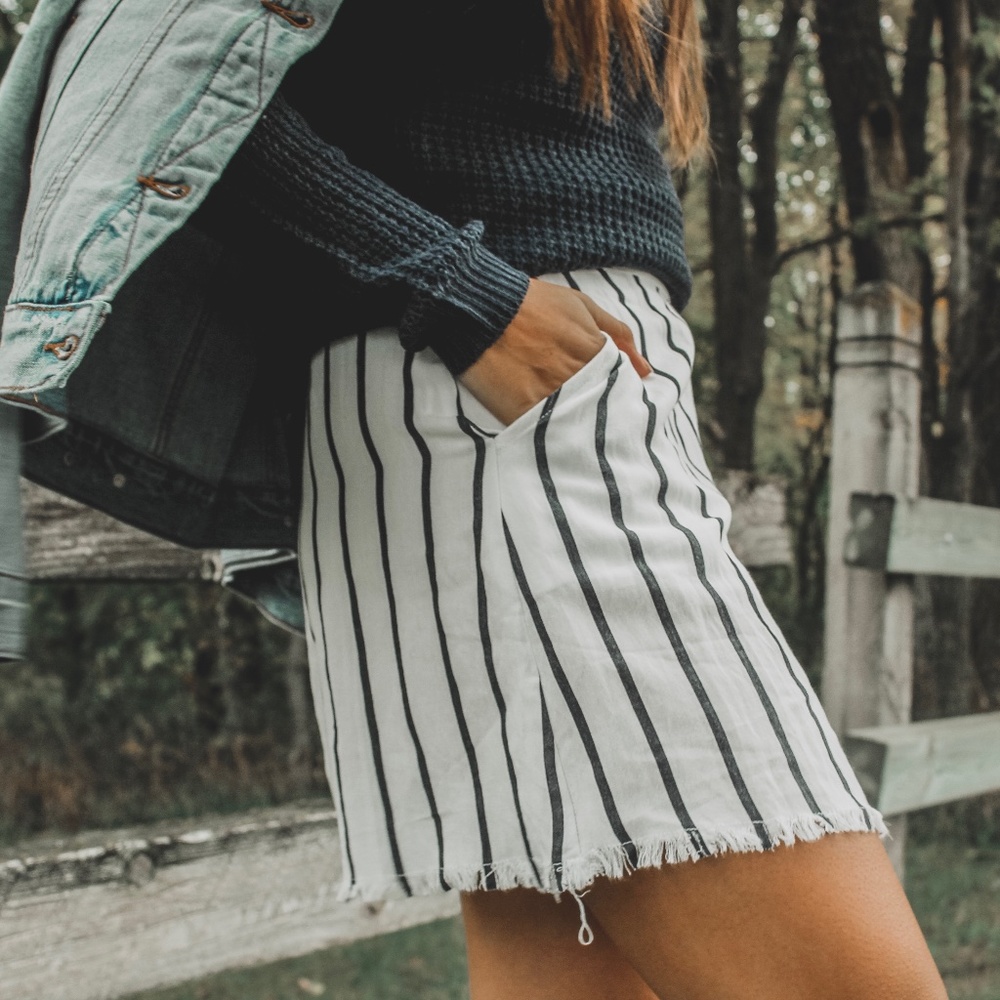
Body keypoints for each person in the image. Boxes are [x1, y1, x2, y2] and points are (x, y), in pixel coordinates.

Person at [0, 1, 949, 997]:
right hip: (491, 411)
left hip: (537, 402)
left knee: (556, 961)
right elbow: (143, 61)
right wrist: (459, 291)